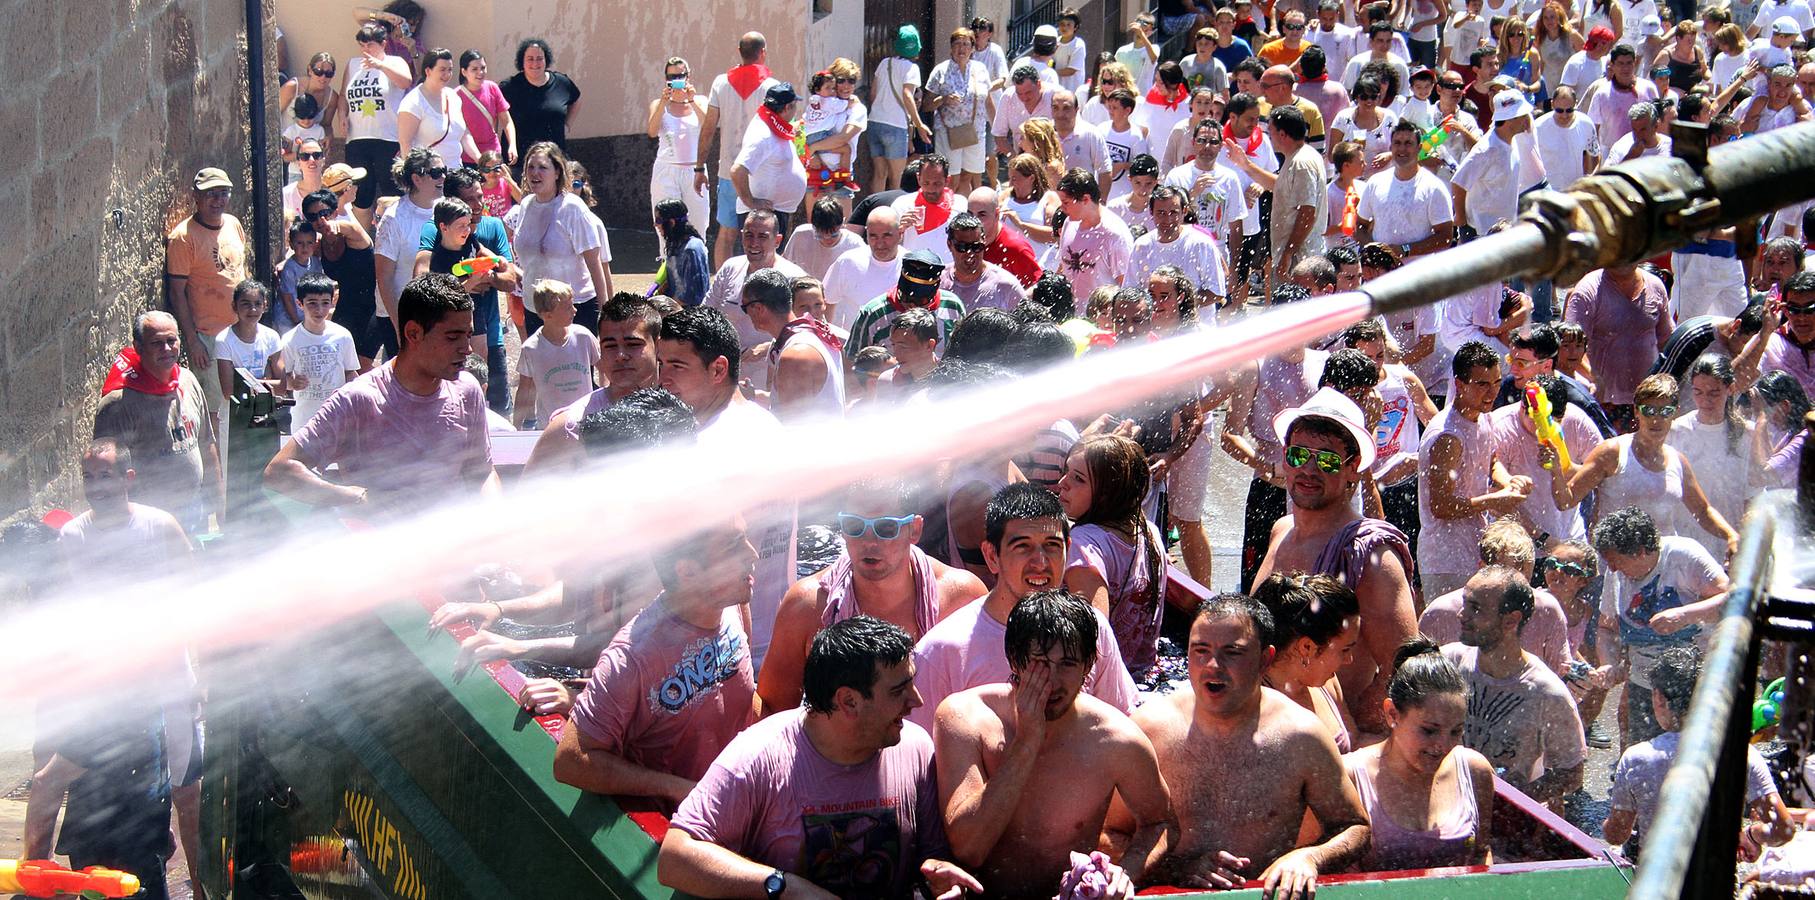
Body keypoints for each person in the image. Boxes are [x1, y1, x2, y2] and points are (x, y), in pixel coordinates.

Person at [657, 616, 983, 900]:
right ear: (849, 701)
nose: (917, 701)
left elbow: (933, 854)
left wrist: (940, 875)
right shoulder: (756, 759)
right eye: (899, 691)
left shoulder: (915, 747)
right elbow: (675, 858)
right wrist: (786, 888)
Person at [1123, 594, 1369, 895]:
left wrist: (1309, 857)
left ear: (1265, 659)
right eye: (1200, 651)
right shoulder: (1149, 731)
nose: (1213, 665)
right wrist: (1177, 868)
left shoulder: (1301, 737)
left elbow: (1355, 828)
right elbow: (1107, 835)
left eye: (1232, 653)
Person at [933, 589, 1171, 898]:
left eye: (1068, 664)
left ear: (1089, 667)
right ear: (1015, 660)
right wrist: (1028, 741)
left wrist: (1125, 874)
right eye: (1040, 662)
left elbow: (1161, 823)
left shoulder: (1117, 740)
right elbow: (968, 849)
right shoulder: (964, 718)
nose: (1053, 680)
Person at [553, 504, 760, 813]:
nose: (753, 555)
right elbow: (570, 761)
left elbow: (746, 702)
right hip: (678, 829)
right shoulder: (630, 659)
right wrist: (675, 788)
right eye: (733, 546)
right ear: (687, 571)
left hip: (739, 804)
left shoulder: (731, 607)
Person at [1251, 387, 1418, 733]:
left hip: (1327, 742)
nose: (1309, 469)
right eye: (1299, 456)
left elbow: (1404, 667)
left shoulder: (1369, 554)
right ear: (1285, 457)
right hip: (1261, 727)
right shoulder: (1281, 531)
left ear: (1353, 469)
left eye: (1326, 460)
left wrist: (1350, 732)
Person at [911, 483, 1139, 730]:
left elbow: (1121, 723)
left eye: (1052, 545)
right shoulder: (943, 652)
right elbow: (921, 753)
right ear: (991, 556)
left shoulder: (1093, 628)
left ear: (1068, 550)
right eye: (1023, 546)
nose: (1040, 562)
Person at [264, 273, 497, 513]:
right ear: (413, 333)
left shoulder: (468, 391)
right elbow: (279, 471)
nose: (467, 349)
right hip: (378, 545)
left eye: (468, 335)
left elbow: (482, 472)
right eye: (453, 337)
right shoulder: (358, 399)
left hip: (447, 545)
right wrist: (360, 497)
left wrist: (496, 519)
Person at [761, 478, 986, 713]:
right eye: (854, 526)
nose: (869, 541)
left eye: (886, 527)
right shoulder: (807, 606)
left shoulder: (963, 598)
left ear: (915, 529)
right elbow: (773, 713)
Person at [656, 307, 798, 669]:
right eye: (661, 363)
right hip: (770, 635)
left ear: (718, 369)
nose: (662, 378)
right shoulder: (764, 425)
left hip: (724, 649)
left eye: (677, 366)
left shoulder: (711, 447)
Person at [1604, 647, 1795, 860]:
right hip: (1714, 880)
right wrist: (1752, 835)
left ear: (1658, 698)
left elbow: (1616, 835)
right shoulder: (1742, 755)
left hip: (1657, 879)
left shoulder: (1637, 758)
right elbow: (1783, 829)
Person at [1343, 639, 1496, 871]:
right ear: (1392, 714)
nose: (1443, 746)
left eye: (1456, 731)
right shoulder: (1350, 778)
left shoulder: (1476, 772)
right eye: (1429, 730)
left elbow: (1482, 856)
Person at [1550, 373, 1739, 556]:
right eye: (1648, 410)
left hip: (1660, 569)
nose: (1656, 419)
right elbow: (1565, 501)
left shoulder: (1678, 461)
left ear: (1675, 413)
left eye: (1665, 411)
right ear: (1636, 411)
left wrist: (1731, 535)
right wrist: (1556, 469)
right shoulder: (1612, 453)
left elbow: (1703, 511)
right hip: (1614, 566)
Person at [1443, 566, 1587, 806]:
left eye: (1475, 608)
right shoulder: (1448, 663)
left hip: (1506, 828)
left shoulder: (1546, 692)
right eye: (1465, 603)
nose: (1461, 614)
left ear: (1511, 620)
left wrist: (1514, 804)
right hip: (1446, 809)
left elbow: (1571, 773)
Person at [1592, 505, 1730, 746]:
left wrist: (1685, 615)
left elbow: (1732, 598)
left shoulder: (1683, 555)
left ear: (1642, 551)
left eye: (1616, 561)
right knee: (1641, 756)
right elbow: (1607, 629)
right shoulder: (1614, 573)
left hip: (1696, 681)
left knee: (1697, 755)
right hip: (1645, 683)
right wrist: (1609, 664)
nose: (1612, 569)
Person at [1420, 342, 1534, 599]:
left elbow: (1490, 460)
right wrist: (1492, 501)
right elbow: (1440, 506)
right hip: (1444, 559)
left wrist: (1509, 482)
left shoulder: (1484, 417)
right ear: (1460, 385)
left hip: (1475, 550)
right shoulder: (1448, 438)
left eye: (1496, 382)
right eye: (1483, 384)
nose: (1492, 392)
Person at [94, 312, 223, 536]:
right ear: (138, 347)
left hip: (193, 509)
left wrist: (220, 502)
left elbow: (207, 443)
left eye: (171, 341)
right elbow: (102, 471)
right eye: (156, 343)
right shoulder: (119, 405)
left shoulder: (188, 381)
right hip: (146, 523)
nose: (166, 349)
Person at [1054, 434, 1169, 679]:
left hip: (1107, 683)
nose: (1063, 483)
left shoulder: (1085, 543)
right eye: (1066, 471)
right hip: (1146, 673)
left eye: (1078, 478)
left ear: (1107, 494)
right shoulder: (1150, 532)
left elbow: (1092, 634)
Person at [167, 167, 250, 468]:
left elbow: (240, 273)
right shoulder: (183, 238)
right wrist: (192, 342)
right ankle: (221, 476)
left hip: (241, 331)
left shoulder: (233, 225)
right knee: (216, 410)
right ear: (197, 197)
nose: (218, 200)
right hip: (209, 337)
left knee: (243, 402)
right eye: (210, 194)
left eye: (223, 192)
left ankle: (241, 466)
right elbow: (178, 294)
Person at [524, 295, 663, 474]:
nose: (621, 355)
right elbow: (531, 492)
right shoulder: (570, 427)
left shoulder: (687, 411)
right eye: (610, 346)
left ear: (658, 346)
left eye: (633, 344)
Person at [1417, 519, 1575, 674]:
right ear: (1483, 568)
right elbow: (1415, 683)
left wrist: (1580, 682)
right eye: (1507, 580)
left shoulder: (1547, 610)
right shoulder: (1440, 614)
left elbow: (1561, 676)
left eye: (1525, 579)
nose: (1518, 592)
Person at [506, 142, 613, 333]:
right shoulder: (526, 205)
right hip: (535, 307)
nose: (534, 173)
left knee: (574, 364)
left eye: (542, 168)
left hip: (573, 307)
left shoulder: (572, 208)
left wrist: (605, 310)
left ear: (557, 173)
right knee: (541, 362)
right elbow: (527, 258)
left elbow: (595, 264)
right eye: (530, 167)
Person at [1253, 573, 1362, 752]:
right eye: (1344, 649)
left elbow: (1355, 747)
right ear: (1307, 647)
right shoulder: (1255, 704)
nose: (1349, 659)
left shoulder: (1328, 684)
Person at [697, 33, 778, 268]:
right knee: (763, 233)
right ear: (763, 52)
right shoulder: (771, 87)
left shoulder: (721, 83)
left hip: (728, 170)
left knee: (727, 232)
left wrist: (699, 167)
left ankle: (722, 287)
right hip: (760, 171)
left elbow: (708, 128)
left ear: (739, 52)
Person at [1229, 105, 1326, 290]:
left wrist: (1289, 253)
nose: (1269, 136)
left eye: (1271, 131)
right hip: (1297, 255)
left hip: (1300, 259)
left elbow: (1307, 211)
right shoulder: (1303, 156)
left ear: (1282, 134)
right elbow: (1280, 186)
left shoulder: (1301, 163)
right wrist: (1245, 165)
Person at [740, 268, 845, 420]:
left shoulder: (796, 355)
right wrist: (753, 397)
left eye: (745, 308)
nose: (747, 314)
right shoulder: (812, 334)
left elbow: (794, 429)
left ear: (758, 308)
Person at [701, 209, 808, 349]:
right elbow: (706, 313)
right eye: (749, 235)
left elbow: (807, 330)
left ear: (777, 241)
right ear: (742, 236)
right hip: (727, 364)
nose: (754, 243)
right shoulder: (730, 267)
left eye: (762, 236)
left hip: (771, 366)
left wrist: (767, 349)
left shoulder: (794, 278)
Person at [340, 23, 411, 228]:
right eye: (362, 45)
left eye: (370, 45)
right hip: (357, 138)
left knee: (391, 192)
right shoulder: (353, 64)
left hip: (387, 138)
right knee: (360, 193)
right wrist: (342, 115)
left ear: (383, 44)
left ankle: (392, 239)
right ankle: (363, 245)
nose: (365, 50)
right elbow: (344, 94)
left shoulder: (394, 62)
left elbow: (405, 82)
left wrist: (380, 65)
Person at [513, 279, 600, 428]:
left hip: (586, 422)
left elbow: (606, 369)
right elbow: (524, 391)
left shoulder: (583, 336)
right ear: (547, 315)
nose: (575, 310)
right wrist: (515, 427)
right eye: (567, 307)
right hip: (550, 426)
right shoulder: (531, 348)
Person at [1131, 186, 1229, 317]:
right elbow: (1131, 290)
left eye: (1173, 212)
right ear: (1151, 212)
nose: (1168, 219)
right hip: (1155, 331)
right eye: (1161, 213)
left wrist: (1177, 306)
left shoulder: (1201, 243)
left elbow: (1216, 292)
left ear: (1184, 211)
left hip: (1195, 330)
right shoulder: (1141, 246)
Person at [279, 274, 361, 430]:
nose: (319, 309)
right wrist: (293, 383)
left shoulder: (342, 336)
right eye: (312, 303)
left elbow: (351, 373)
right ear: (299, 303)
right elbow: (285, 379)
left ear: (332, 302)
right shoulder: (289, 340)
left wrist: (355, 401)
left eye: (325, 303)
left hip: (337, 417)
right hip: (304, 421)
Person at [848, 250, 968, 353]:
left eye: (921, 300)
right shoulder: (873, 314)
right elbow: (851, 363)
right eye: (906, 297)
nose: (912, 306)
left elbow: (963, 356)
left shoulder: (953, 308)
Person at [731, 83, 809, 234]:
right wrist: (751, 202)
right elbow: (737, 171)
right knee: (763, 257)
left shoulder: (775, 126)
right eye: (794, 106)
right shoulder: (763, 134)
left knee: (773, 257)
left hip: (775, 211)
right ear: (787, 107)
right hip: (762, 216)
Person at [925, 27, 993, 196]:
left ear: (972, 47)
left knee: (969, 175)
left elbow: (988, 101)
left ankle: (963, 212)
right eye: (957, 44)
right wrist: (943, 100)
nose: (961, 49)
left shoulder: (980, 69)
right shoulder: (941, 70)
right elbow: (926, 105)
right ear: (951, 48)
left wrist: (998, 129)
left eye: (966, 44)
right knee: (950, 179)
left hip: (975, 131)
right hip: (949, 132)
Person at [648, 56, 709, 243]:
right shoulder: (658, 104)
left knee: (698, 224)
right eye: (671, 76)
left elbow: (708, 126)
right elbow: (651, 131)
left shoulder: (700, 100)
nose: (676, 80)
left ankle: (696, 264)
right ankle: (668, 265)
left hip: (694, 170)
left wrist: (691, 101)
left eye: (680, 75)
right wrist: (663, 104)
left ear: (688, 76)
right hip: (666, 170)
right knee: (666, 224)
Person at [498, 37, 580, 159]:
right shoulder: (509, 87)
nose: (535, 63)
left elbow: (576, 100)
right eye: (530, 59)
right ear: (522, 62)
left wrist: (567, 125)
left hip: (554, 160)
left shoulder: (562, 83)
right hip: (519, 160)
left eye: (539, 58)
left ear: (546, 60)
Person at [825, 207, 906, 330]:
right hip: (855, 345)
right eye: (873, 236)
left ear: (900, 234)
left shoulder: (910, 267)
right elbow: (827, 301)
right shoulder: (848, 262)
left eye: (886, 236)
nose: (879, 243)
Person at [397, 48, 479, 167]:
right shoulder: (412, 102)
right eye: (442, 70)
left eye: (450, 70)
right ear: (428, 71)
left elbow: (463, 133)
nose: (447, 74)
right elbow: (405, 144)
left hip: (456, 172)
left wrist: (479, 158)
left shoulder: (453, 97)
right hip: (430, 175)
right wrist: (416, 178)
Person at [214, 280, 286, 394]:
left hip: (263, 409)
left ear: (265, 306)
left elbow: (282, 386)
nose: (252, 309)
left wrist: (245, 384)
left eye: (258, 304)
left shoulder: (272, 337)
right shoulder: (223, 340)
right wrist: (265, 382)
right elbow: (228, 391)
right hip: (233, 411)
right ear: (234, 306)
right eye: (246, 304)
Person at [969, 187, 1045, 289]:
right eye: (970, 214)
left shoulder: (1015, 248)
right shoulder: (963, 243)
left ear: (996, 214)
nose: (975, 221)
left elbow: (1037, 290)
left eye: (982, 215)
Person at [893, 153, 960, 263]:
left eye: (936, 183)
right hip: (913, 271)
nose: (931, 189)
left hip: (948, 273)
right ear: (918, 178)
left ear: (947, 180)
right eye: (926, 183)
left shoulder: (960, 204)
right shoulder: (901, 205)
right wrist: (899, 230)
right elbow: (888, 245)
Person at [1532, 87, 1599, 191]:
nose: (1564, 115)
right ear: (1552, 104)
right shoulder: (1538, 127)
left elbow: (1594, 154)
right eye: (1559, 110)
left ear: (1576, 104)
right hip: (1548, 193)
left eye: (1569, 110)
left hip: (1575, 191)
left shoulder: (1586, 124)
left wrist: (1591, 178)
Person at [1762, 269, 1815, 398]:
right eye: (1794, 310)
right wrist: (1765, 331)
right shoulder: (1771, 343)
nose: (1801, 318)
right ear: (1784, 310)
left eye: (1810, 309)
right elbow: (1736, 384)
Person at [784, 198, 864, 281]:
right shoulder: (800, 235)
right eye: (819, 236)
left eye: (834, 235)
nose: (827, 240)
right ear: (813, 226)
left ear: (843, 223)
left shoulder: (855, 244)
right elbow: (785, 262)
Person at [653, 197, 711, 307]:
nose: (655, 225)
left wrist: (663, 308)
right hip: (677, 310)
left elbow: (692, 296)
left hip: (691, 317)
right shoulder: (675, 244)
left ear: (671, 223)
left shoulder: (692, 249)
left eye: (658, 220)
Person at [992, 65, 1058, 158]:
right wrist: (1014, 159)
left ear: (1039, 84)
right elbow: (999, 135)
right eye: (1019, 94)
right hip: (1020, 157)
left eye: (1028, 93)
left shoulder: (1056, 96)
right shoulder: (1008, 97)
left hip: (1051, 157)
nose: (1024, 98)